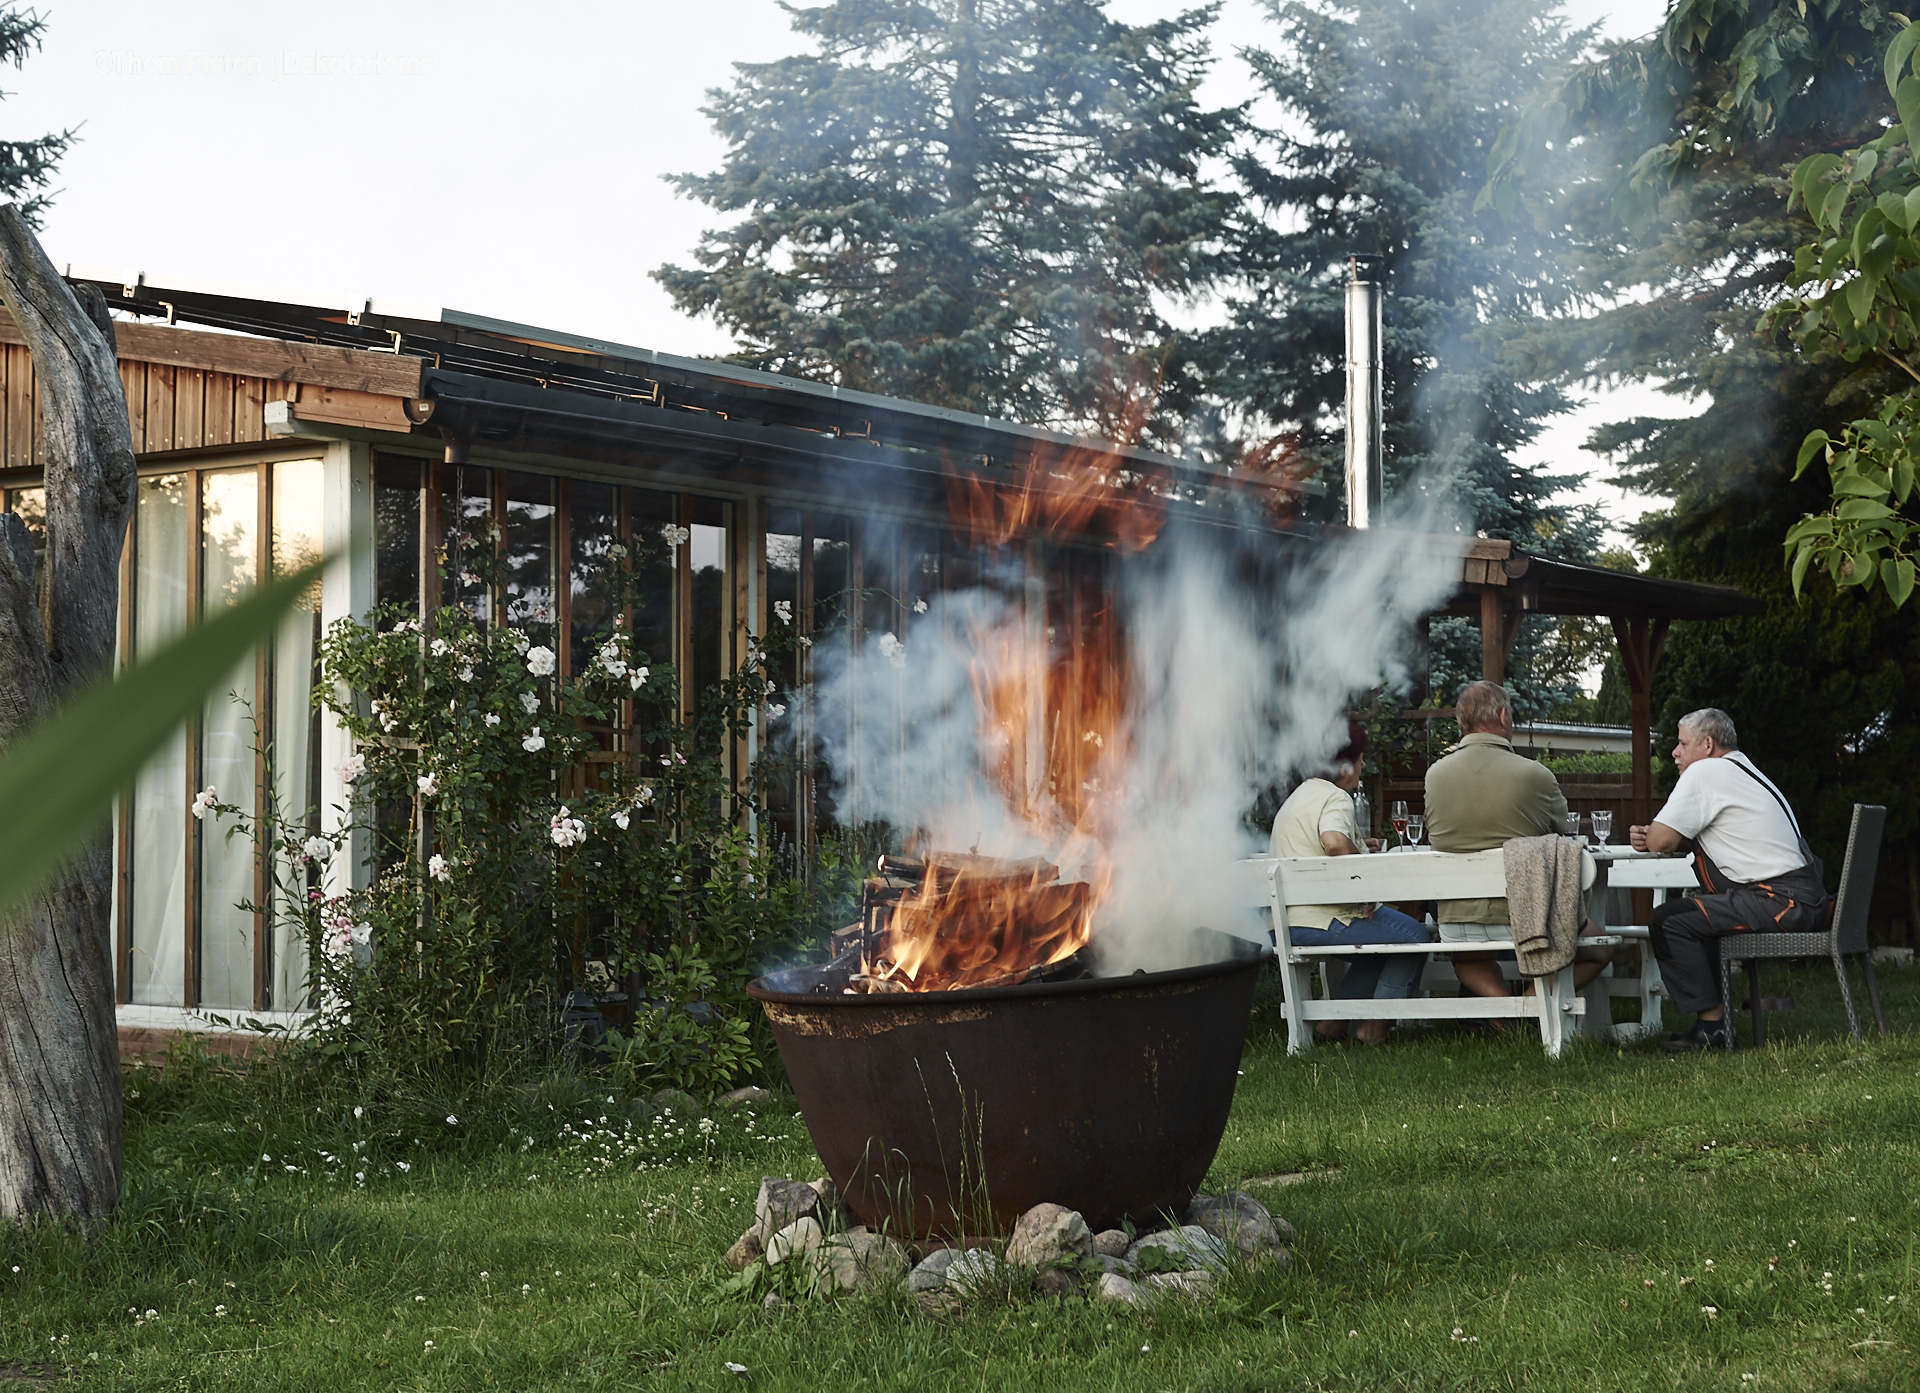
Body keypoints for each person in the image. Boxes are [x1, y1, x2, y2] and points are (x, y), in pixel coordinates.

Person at [1629, 708, 1830, 1053]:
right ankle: (1715, 1024)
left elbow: (1662, 841)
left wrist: (1653, 835)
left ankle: (1712, 1029)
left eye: (1681, 743)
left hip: (1781, 903)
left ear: (1707, 744)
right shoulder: (1743, 770)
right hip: (1802, 900)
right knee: (1696, 915)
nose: (1675, 752)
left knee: (1671, 920)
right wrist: (1662, 835)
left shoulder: (1707, 771)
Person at [1424, 680, 1612, 1004]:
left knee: (1467, 958)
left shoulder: (1434, 775)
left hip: (1456, 921)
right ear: (1502, 716)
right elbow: (1561, 832)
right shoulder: (1534, 775)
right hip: (1529, 918)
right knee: (1601, 949)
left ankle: (1505, 1017)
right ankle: (1526, 1011)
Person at [1270, 721, 1431, 1044]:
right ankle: (1374, 1026)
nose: (1362, 766)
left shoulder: (1299, 795)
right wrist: (1359, 870)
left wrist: (1358, 847)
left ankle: (1334, 1024)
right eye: (1360, 760)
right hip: (1324, 918)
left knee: (1382, 948)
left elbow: (1321, 844)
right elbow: (1332, 842)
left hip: (1285, 922)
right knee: (1415, 935)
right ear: (1344, 765)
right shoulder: (1336, 797)